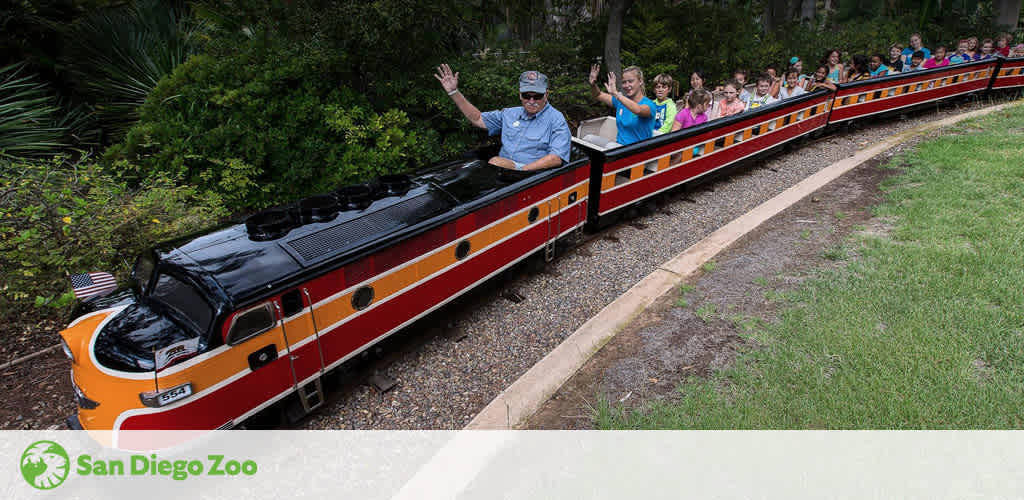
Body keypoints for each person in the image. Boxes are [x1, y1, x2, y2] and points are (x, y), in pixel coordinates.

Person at [435, 64, 570, 171]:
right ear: (520, 95)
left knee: (495, 162)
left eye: (538, 96)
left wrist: (522, 170)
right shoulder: (509, 114)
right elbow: (477, 119)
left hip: (531, 176)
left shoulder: (556, 119)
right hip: (502, 173)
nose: (532, 100)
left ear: (546, 95)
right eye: (526, 96)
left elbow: (556, 158)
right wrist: (454, 92)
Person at [588, 64, 655, 146]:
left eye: (630, 81)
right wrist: (592, 84)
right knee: (588, 138)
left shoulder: (649, 104)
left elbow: (638, 110)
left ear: (640, 81)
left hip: (637, 151)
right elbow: (598, 95)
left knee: (610, 146)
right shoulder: (621, 101)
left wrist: (616, 94)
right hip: (618, 147)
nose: (627, 85)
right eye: (624, 82)